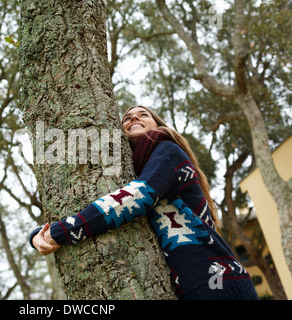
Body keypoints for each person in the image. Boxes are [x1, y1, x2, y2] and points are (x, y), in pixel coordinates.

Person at [29, 105, 259, 300]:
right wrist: (39, 233)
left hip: (215, 284)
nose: (134, 118)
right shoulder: (146, 166)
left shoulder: (167, 150)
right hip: (201, 284)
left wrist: (59, 231)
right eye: (127, 118)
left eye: (143, 114)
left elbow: (136, 197)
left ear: (157, 125)